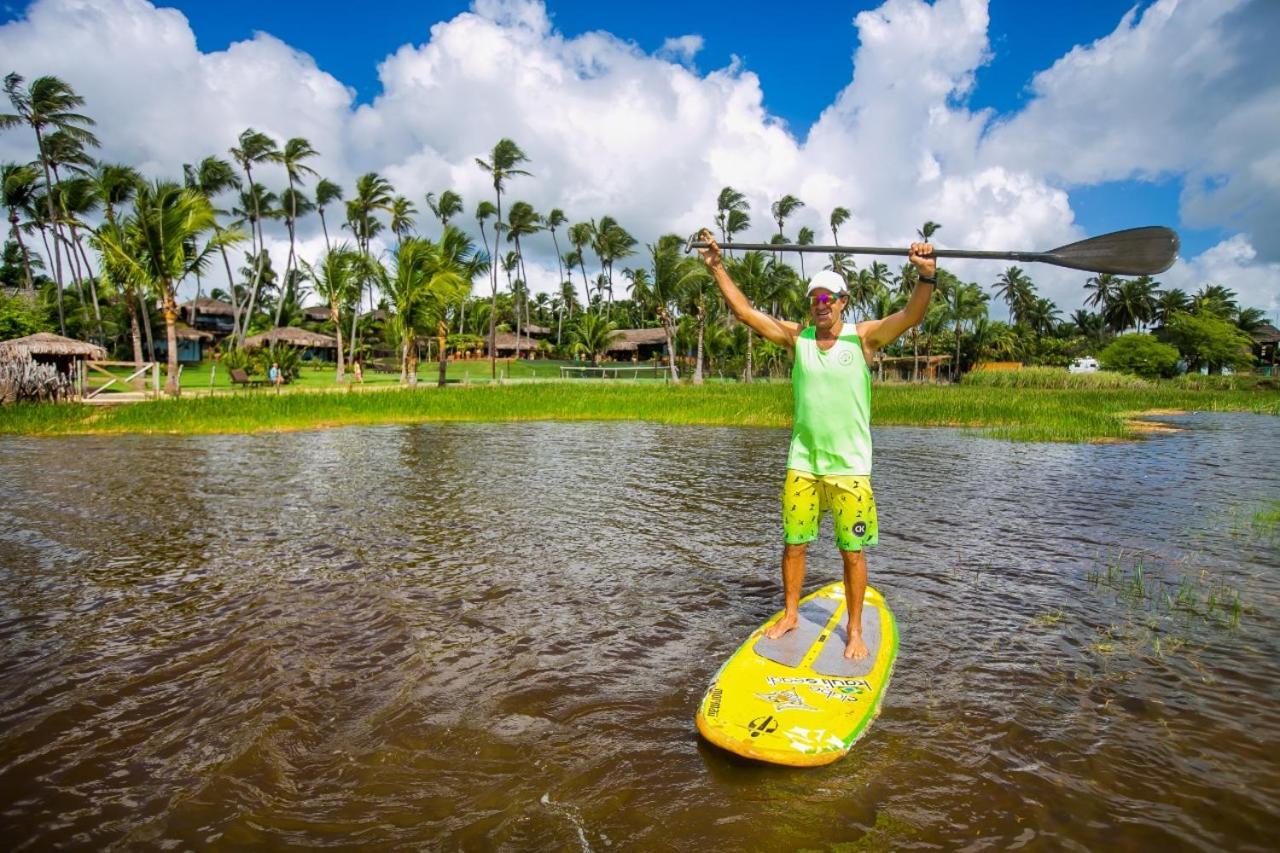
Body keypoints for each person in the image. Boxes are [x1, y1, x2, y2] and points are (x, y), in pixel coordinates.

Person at [695, 229, 936, 659]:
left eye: (828, 299)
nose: (820, 306)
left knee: (853, 551)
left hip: (850, 468)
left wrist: (926, 276)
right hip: (803, 464)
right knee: (794, 543)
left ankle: (856, 629)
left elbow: (910, 316)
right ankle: (789, 614)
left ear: (843, 301)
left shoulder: (864, 338)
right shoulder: (798, 338)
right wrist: (716, 267)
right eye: (814, 300)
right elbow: (747, 312)